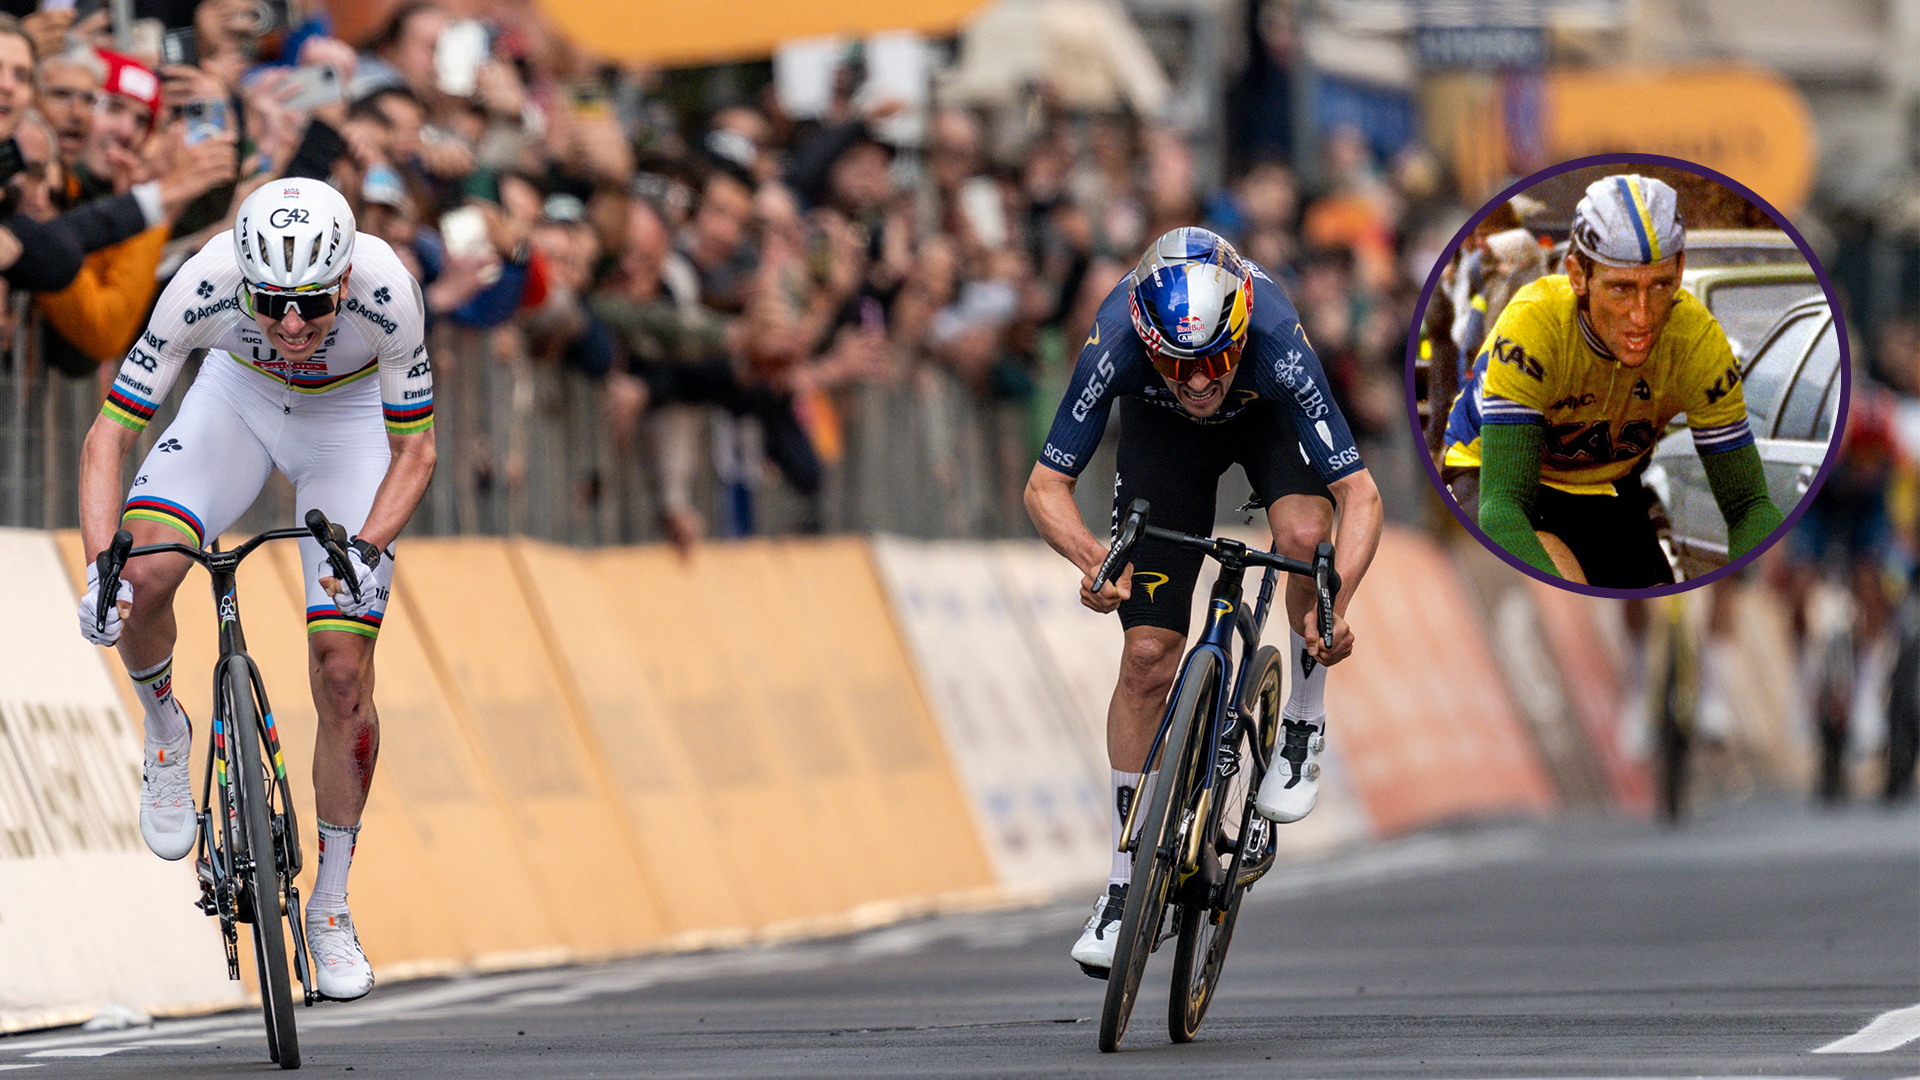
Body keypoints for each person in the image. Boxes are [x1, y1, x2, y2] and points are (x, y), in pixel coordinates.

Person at [73, 178, 435, 1003]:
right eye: (271, 303)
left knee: (343, 671)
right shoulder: (202, 282)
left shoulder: (390, 293)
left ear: (345, 280)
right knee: (142, 575)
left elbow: (415, 453)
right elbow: (109, 435)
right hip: (233, 404)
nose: (295, 325)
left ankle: (331, 908)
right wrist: (101, 565)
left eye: (312, 303)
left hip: (348, 426)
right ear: (243, 280)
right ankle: (166, 727)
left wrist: (369, 549)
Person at [1024, 226, 1383, 977]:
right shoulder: (1117, 335)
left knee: (1302, 529)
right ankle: (1125, 887)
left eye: (1213, 361)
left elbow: (1361, 495)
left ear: (1241, 326)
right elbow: (1044, 485)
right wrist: (1092, 556)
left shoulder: (1279, 336)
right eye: (1176, 365)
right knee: (1147, 658)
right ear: (1147, 340)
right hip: (1164, 444)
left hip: (1267, 421)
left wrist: (1332, 604)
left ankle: (1303, 725)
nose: (1196, 383)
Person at [1440, 174, 1784, 586]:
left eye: (1659, 286)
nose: (1642, 316)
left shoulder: (1696, 340)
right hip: (1494, 473)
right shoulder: (1536, 324)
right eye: (1621, 289)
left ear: (1679, 271)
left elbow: (1749, 506)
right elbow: (1502, 509)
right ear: (1577, 275)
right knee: (1560, 583)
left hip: (1605, 480)